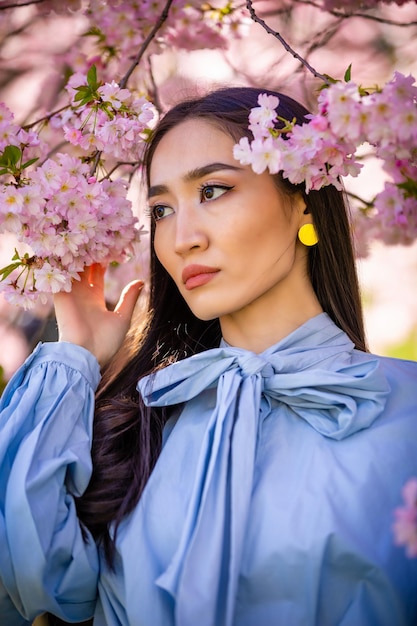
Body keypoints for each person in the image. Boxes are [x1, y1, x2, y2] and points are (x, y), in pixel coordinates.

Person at [0, 86, 416, 626]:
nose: (181, 239)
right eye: (162, 210)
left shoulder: (407, 415)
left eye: (214, 190)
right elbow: (36, 584)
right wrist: (75, 358)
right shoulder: (142, 425)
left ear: (303, 197)